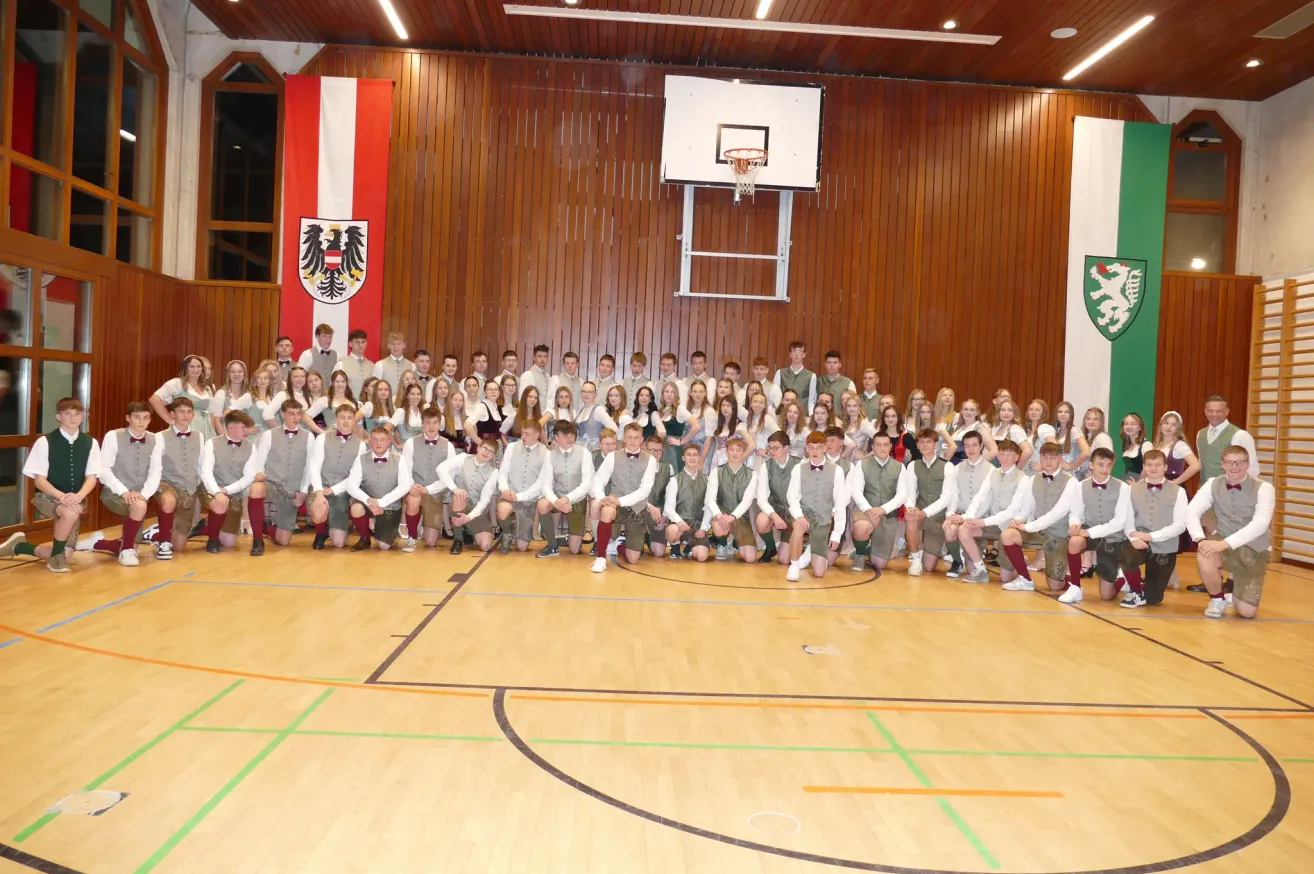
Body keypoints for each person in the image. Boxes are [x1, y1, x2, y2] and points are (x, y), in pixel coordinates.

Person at [1188, 446, 1274, 619]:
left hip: (1253, 548)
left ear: (1248, 464)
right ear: (1222, 464)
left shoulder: (1264, 488)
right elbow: (1191, 511)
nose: (1234, 466)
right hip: (1223, 539)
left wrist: (1223, 544)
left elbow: (1260, 524)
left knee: (1247, 613)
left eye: (1239, 462)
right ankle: (1217, 599)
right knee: (1204, 554)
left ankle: (1234, 593)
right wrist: (1200, 539)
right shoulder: (1212, 483)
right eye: (1229, 462)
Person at [78, 401, 163, 567]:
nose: (141, 421)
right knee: (139, 507)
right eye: (137, 417)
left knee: (139, 509)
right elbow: (104, 470)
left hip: (140, 495)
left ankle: (98, 543)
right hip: (114, 493)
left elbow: (156, 471)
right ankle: (126, 550)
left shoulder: (156, 439)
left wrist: (143, 494)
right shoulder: (113, 436)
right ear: (128, 418)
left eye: (146, 417)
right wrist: (124, 492)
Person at [1063, 447, 1144, 605]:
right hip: (1091, 532)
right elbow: (1076, 512)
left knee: (1106, 596)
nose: (1105, 469)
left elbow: (1120, 521)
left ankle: (1122, 578)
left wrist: (1089, 532)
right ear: (1091, 465)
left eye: (1109, 465)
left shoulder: (1123, 488)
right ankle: (1075, 587)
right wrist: (1074, 524)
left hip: (1112, 538)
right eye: (1100, 464)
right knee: (1074, 541)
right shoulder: (1080, 486)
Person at [999, 443, 1081, 595]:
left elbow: (1058, 512)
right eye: (1045, 457)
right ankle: (1025, 579)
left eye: (1053, 457)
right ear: (1040, 458)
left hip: (1058, 535)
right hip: (1038, 532)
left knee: (1055, 587)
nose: (1048, 461)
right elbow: (1027, 506)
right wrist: (1018, 520)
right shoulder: (1034, 479)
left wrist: (1028, 527)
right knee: (1008, 534)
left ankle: (1070, 579)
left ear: (1060, 459)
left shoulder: (1071, 482)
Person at [1122, 449, 1188, 608]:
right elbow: (1127, 519)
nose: (1153, 468)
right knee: (1126, 556)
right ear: (1144, 467)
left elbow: (1180, 525)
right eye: (1149, 464)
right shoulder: (1131, 489)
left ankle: (1142, 587)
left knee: (1153, 599)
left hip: (1165, 545)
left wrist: (1151, 537)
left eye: (1157, 465)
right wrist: (1133, 538)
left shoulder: (1179, 492)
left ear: (1165, 467)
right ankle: (1136, 591)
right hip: (1138, 540)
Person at [590, 422, 658, 573]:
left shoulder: (651, 460)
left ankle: (619, 546)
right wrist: (602, 498)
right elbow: (598, 480)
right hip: (615, 507)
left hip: (637, 510)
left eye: (636, 437)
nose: (633, 441)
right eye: (629, 437)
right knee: (606, 510)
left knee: (633, 559)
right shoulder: (612, 457)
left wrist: (620, 501)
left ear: (642, 440)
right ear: (624, 438)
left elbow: (644, 491)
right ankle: (600, 558)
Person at [958, 439, 1029, 584]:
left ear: (1017, 457)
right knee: (964, 529)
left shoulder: (1024, 479)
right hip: (993, 523)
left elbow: (1012, 510)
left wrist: (983, 522)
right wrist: (969, 517)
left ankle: (1020, 561)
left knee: (1005, 578)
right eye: (1002, 454)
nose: (1005, 458)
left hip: (1011, 527)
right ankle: (981, 571)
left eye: (1009, 455)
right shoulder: (993, 473)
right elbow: (980, 496)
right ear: (998, 456)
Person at [784, 431, 848, 581]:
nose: (815, 451)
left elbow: (840, 503)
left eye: (819, 447)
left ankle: (811, 551)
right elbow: (792, 495)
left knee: (819, 573)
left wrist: (837, 534)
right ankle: (794, 565)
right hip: (804, 513)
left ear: (825, 448)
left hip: (823, 518)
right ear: (806, 448)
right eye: (811, 447)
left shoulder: (837, 471)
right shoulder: (798, 468)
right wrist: (798, 515)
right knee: (798, 527)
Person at [201, 410, 265, 556]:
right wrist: (217, 492)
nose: (247, 431)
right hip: (211, 489)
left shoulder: (251, 447)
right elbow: (206, 472)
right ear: (230, 427)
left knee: (229, 542)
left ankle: (205, 526)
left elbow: (248, 477)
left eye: (247, 427)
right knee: (219, 504)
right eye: (243, 427)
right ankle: (212, 539)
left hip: (233, 494)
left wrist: (226, 491)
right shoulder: (212, 443)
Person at [848, 431, 909, 577]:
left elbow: (903, 495)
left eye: (885, 445)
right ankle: (860, 554)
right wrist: (869, 510)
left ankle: (868, 548)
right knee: (861, 527)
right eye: (878, 445)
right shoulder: (862, 464)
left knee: (879, 564)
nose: (882, 448)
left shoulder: (900, 467)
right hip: (865, 510)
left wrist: (883, 509)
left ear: (890, 447)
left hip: (888, 514)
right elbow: (856, 491)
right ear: (872, 447)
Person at [307, 405, 368, 550]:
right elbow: (314, 467)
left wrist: (333, 490)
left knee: (339, 543)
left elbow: (355, 477)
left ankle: (336, 528)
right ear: (336, 419)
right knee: (318, 510)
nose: (346, 421)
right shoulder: (322, 438)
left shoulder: (361, 445)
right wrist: (319, 492)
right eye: (342, 417)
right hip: (321, 486)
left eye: (349, 418)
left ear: (354, 421)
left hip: (342, 491)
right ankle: (321, 532)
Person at [254, 400, 313, 547]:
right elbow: (259, 463)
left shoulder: (309, 437)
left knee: (283, 541)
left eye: (298, 414)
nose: (295, 417)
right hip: (272, 485)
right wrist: (259, 475)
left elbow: (309, 467)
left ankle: (269, 529)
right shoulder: (269, 435)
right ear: (282, 414)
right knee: (256, 488)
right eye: (291, 414)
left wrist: (303, 492)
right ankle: (257, 538)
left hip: (292, 491)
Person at [346, 425, 413, 552]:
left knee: (384, 546)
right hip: (367, 503)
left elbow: (405, 485)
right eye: (375, 439)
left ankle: (381, 529)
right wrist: (369, 502)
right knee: (356, 508)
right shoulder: (360, 459)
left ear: (388, 442)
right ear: (370, 441)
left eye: (382, 440)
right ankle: (365, 537)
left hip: (389, 506)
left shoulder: (400, 459)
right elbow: (351, 486)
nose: (378, 443)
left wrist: (381, 502)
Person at [902, 429, 957, 576]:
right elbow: (910, 493)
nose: (924, 445)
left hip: (938, 516)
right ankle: (915, 559)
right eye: (921, 442)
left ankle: (930, 552)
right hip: (920, 511)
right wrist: (911, 507)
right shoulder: (912, 465)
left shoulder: (948, 466)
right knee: (910, 518)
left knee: (929, 567)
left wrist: (925, 512)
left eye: (928, 442)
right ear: (917, 445)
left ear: (935, 444)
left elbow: (946, 497)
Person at [536, 419, 594, 558]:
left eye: (572, 435)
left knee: (575, 550)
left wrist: (567, 499)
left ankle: (567, 539)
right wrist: (556, 501)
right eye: (565, 435)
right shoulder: (550, 455)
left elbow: (587, 483)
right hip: (557, 497)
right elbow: (546, 485)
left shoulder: (584, 453)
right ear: (556, 437)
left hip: (577, 499)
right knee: (542, 504)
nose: (570, 438)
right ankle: (552, 545)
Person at [399, 406, 453, 551]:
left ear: (440, 424)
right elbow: (405, 470)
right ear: (422, 424)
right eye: (428, 422)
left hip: (434, 493)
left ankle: (423, 522)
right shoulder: (410, 443)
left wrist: (429, 489)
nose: (431, 426)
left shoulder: (448, 446)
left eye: (435, 422)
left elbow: (449, 476)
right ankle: (412, 537)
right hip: (415, 489)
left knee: (430, 541)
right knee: (413, 498)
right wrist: (413, 486)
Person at [942, 431, 994, 578]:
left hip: (979, 518)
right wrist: (950, 515)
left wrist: (966, 517)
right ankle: (957, 561)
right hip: (959, 514)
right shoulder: (957, 468)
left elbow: (985, 500)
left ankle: (975, 560)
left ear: (981, 446)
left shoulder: (991, 470)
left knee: (971, 570)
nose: (971, 449)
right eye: (967, 446)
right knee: (949, 529)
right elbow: (953, 494)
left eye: (974, 445)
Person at [438, 437, 501, 554]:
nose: (486, 452)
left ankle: (468, 530)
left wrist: (469, 517)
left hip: (476, 512)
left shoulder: (494, 472)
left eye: (490, 451)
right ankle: (458, 539)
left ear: (493, 456)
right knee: (460, 496)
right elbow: (440, 469)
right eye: (485, 448)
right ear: (478, 448)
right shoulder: (462, 458)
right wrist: (455, 489)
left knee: (486, 546)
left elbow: (484, 500)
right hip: (459, 504)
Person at [496, 420, 549, 553]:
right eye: (522, 433)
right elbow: (503, 472)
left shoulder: (546, 453)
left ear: (537, 435)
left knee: (522, 547)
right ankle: (507, 532)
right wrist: (505, 489)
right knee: (503, 509)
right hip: (509, 495)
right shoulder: (511, 447)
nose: (523, 437)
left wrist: (519, 497)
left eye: (527, 434)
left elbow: (541, 483)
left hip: (528, 500)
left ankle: (515, 526)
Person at [707, 436, 759, 562]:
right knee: (718, 525)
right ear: (726, 451)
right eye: (732, 450)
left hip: (741, 518)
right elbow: (710, 498)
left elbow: (747, 501)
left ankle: (735, 543)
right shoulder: (717, 471)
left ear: (743, 452)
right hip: (722, 516)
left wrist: (733, 516)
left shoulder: (752, 474)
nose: (735, 453)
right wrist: (719, 515)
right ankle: (722, 544)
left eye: (738, 450)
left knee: (750, 558)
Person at [754, 431, 801, 565]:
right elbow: (761, 498)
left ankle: (798, 544)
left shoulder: (800, 464)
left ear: (786, 448)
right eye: (770, 448)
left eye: (776, 448)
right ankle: (770, 547)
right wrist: (774, 516)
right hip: (777, 508)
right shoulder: (766, 466)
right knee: (761, 521)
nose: (772, 451)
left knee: (784, 560)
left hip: (795, 511)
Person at [665, 443, 713, 561]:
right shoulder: (675, 480)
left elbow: (708, 507)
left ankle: (690, 545)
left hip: (697, 525)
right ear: (683, 458)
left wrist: (704, 528)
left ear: (699, 457)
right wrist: (679, 522)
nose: (692, 458)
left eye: (695, 455)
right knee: (672, 530)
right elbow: (668, 508)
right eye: (689, 455)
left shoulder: (706, 480)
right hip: (680, 524)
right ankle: (675, 545)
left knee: (701, 557)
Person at [1197, 396, 1260, 481]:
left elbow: (1252, 468)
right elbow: (1202, 463)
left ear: (1227, 412)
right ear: (1205, 411)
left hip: (1230, 487)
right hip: (1204, 487)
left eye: (1219, 411)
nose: (1214, 414)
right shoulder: (1200, 434)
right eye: (1210, 411)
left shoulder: (1240, 435)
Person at [152, 354, 215, 439]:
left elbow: (211, 414)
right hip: (184, 426)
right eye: (192, 366)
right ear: (185, 368)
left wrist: (212, 432)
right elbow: (154, 399)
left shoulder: (207, 388)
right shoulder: (177, 383)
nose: (196, 369)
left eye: (198, 366)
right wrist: (169, 419)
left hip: (205, 428)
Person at [640, 433, 673, 557]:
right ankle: (635, 536)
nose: (656, 453)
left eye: (659, 450)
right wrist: (649, 506)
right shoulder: (637, 466)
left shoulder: (668, 468)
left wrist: (665, 516)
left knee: (659, 552)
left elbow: (671, 497)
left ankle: (649, 536)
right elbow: (631, 494)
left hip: (658, 513)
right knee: (634, 553)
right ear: (645, 449)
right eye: (652, 450)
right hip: (640, 509)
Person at [211, 360, 250, 436]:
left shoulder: (248, 395)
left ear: (244, 374)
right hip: (225, 435)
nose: (236, 374)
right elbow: (216, 420)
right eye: (233, 372)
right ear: (228, 375)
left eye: (240, 371)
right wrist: (226, 438)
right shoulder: (221, 394)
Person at [774, 341, 816, 412]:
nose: (797, 354)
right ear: (790, 354)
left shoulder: (811, 376)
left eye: (800, 351)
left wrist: (811, 415)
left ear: (804, 355)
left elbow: (811, 400)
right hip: (783, 413)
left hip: (802, 414)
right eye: (794, 351)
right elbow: (776, 396)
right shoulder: (780, 373)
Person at [339, 329, 374, 398]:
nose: (360, 345)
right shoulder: (341, 364)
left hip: (368, 403)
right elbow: (335, 387)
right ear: (350, 344)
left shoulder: (372, 365)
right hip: (348, 403)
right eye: (357, 342)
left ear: (366, 343)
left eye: (363, 342)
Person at [1120, 413, 1150, 482]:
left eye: (1133, 424)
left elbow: (1148, 467)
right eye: (1126, 424)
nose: (1129, 426)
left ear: (1140, 427)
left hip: (1139, 482)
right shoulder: (1127, 445)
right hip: (1126, 480)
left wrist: (1138, 485)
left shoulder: (1146, 445)